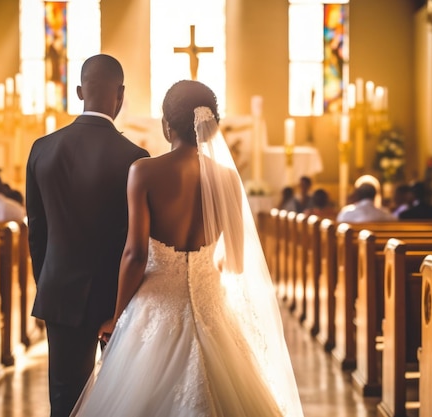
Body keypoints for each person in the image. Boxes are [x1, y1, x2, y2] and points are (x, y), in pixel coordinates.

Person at [71, 80, 303, 417]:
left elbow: (135, 254)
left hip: (158, 304)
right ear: (210, 126)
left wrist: (118, 316)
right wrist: (200, 272)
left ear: (167, 126)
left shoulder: (144, 171)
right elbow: (236, 262)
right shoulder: (228, 179)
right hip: (210, 305)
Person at [26, 54, 150, 417]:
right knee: (121, 399)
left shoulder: (43, 149)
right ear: (121, 95)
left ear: (79, 91)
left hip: (60, 292)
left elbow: (37, 230)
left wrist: (47, 282)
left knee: (64, 401)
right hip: (117, 299)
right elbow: (137, 240)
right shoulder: (135, 157)